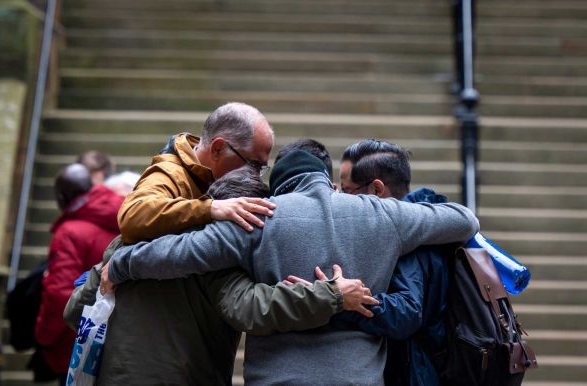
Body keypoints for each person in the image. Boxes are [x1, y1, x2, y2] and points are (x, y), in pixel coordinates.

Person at [106, 143, 480, 385]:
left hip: (276, 378)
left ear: (280, 184)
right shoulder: (385, 215)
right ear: (325, 177)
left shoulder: (259, 217)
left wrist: (121, 264)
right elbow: (464, 220)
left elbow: (180, 253)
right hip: (359, 378)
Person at [92, 104, 374, 385]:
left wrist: (116, 266)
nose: (257, 174)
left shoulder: (138, 238)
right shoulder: (175, 181)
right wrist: (331, 295)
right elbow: (249, 306)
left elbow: (78, 303)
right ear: (217, 149)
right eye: (253, 164)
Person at [337, 139, 453, 386]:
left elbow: (407, 312)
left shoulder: (406, 239)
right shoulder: (427, 224)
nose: (338, 199)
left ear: (377, 190)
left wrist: (343, 302)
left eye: (346, 191)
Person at [34, 163, 123, 384]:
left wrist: (43, 337)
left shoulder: (69, 232)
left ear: (63, 197)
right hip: (117, 334)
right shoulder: (123, 213)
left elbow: (58, 292)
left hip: (76, 341)